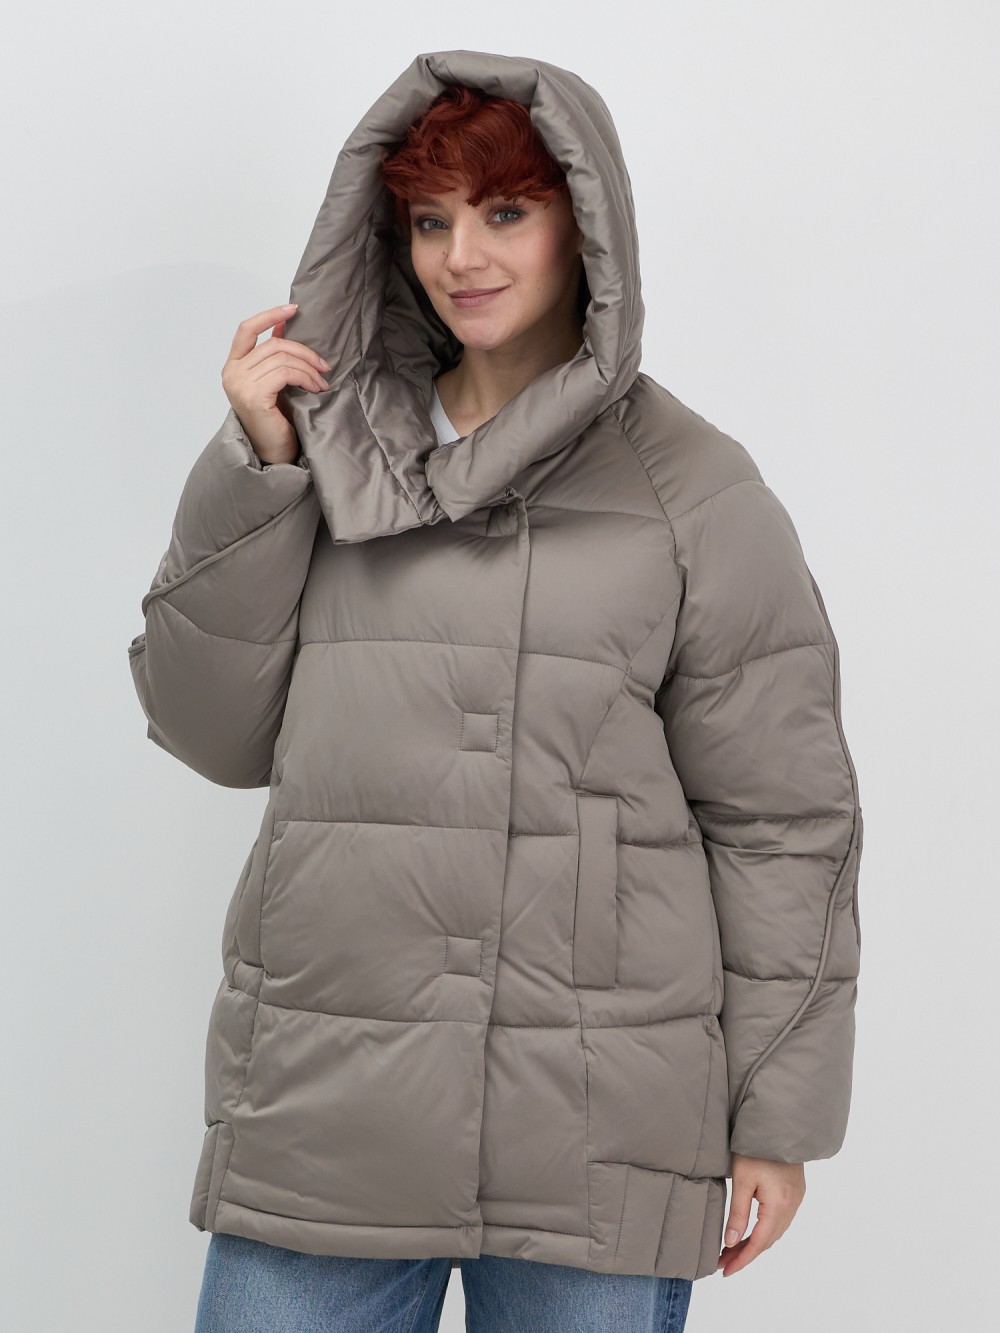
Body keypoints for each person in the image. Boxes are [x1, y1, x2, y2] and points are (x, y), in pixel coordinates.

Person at [127, 50, 863, 1333]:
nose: (461, 255)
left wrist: (774, 1115)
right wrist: (255, 466)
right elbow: (210, 730)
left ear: (587, 228)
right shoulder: (328, 448)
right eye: (430, 220)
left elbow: (783, 821)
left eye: (506, 212)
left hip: (597, 1118)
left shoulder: (695, 491)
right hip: (327, 1106)